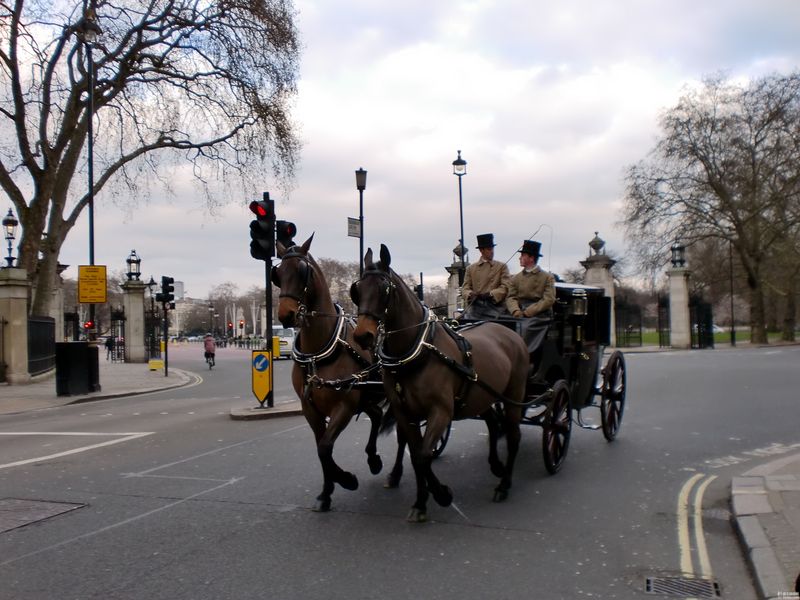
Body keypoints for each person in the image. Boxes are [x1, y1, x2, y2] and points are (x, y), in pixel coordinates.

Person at [506, 239, 556, 362]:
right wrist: (515, 311)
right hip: (519, 312)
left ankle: (521, 357)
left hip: (540, 314)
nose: (519, 258)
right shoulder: (515, 278)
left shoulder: (547, 277)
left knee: (524, 327)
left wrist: (530, 311)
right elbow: (511, 297)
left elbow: (549, 299)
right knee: (503, 324)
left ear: (531, 258)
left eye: (522, 255)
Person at [461, 233, 511, 320]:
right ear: (481, 250)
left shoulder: (502, 266)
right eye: (489, 249)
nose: (492, 251)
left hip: (496, 308)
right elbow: (465, 288)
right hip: (475, 309)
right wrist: (470, 294)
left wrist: (491, 294)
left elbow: (506, 287)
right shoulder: (471, 269)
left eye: (492, 248)